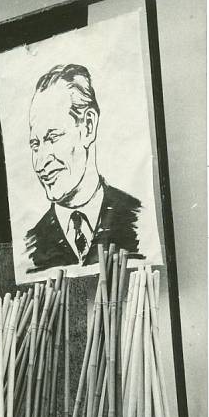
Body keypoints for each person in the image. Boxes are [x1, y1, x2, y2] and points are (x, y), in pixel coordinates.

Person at [24, 63, 144, 273]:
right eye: (36, 144)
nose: (40, 162)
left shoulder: (137, 220)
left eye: (53, 137)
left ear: (88, 127)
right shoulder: (32, 244)